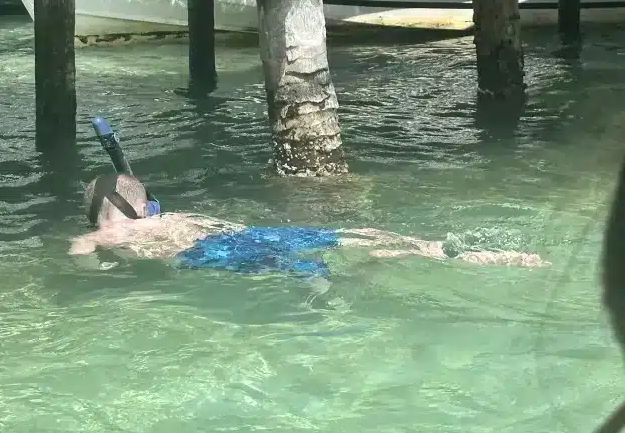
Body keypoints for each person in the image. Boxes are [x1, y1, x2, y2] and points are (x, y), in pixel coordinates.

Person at [70, 172, 548, 275]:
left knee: (312, 267)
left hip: (215, 253)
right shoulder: (170, 216)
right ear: (148, 205)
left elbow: (82, 255)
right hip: (242, 233)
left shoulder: (108, 233)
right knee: (363, 238)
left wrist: (100, 268)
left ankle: (327, 282)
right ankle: (472, 252)